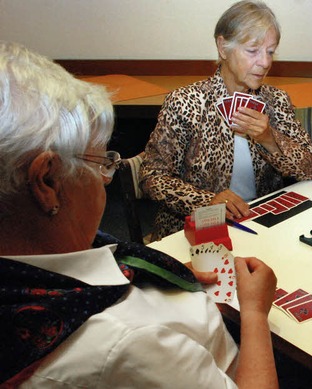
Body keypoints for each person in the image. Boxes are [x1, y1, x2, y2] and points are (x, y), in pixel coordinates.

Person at [0, 41, 278, 388]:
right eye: (102, 162)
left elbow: (305, 163)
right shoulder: (125, 342)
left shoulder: (46, 252)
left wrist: (161, 276)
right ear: (47, 182)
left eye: (272, 50)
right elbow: (154, 178)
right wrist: (254, 314)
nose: (107, 177)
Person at [141, 0, 312, 239]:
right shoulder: (185, 102)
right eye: (252, 51)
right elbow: (153, 177)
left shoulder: (276, 101)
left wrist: (269, 138)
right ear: (223, 47)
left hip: (261, 224)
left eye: (270, 52)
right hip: (194, 231)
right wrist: (208, 201)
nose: (265, 63)